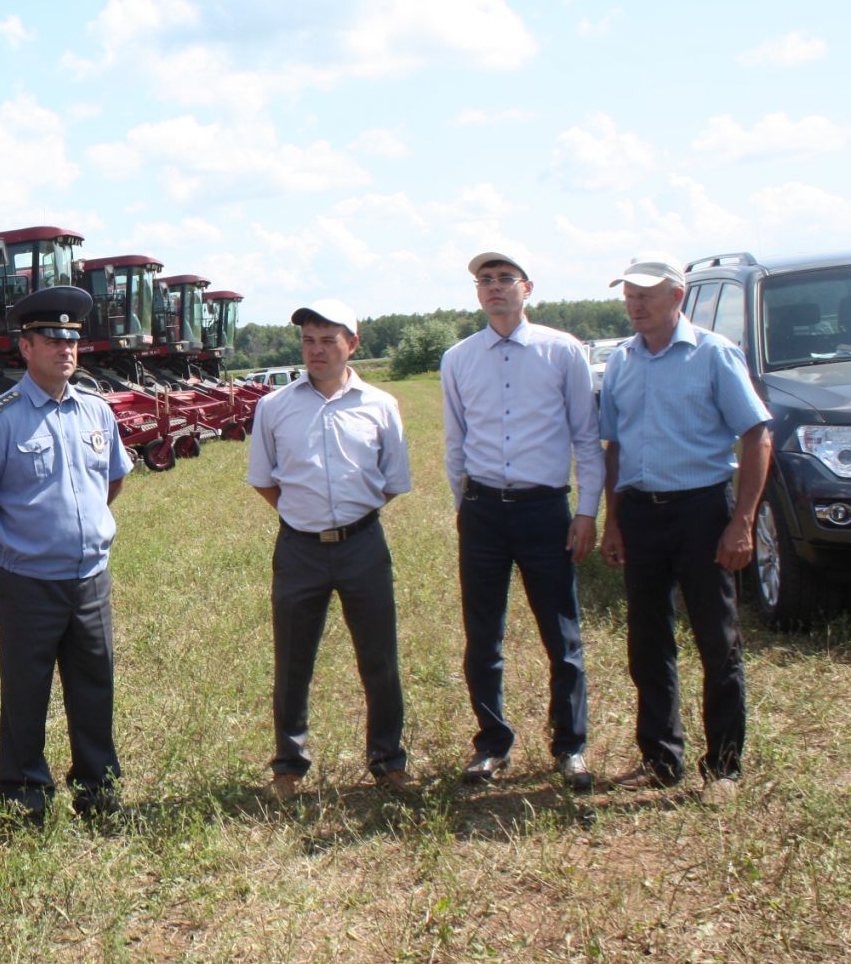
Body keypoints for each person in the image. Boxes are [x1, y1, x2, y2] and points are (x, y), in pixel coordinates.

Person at [0, 285, 133, 821]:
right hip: (27, 582)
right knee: (26, 692)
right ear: (25, 348)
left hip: (89, 578)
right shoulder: (0, 419)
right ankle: (24, 793)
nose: (65, 350)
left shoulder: (97, 412)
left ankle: (97, 788)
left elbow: (112, 482)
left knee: (94, 685)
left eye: (72, 340)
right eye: (51, 340)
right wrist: (20, 536)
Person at [598, 258, 771, 803]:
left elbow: (756, 436)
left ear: (678, 296)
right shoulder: (622, 361)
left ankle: (723, 768)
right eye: (629, 295)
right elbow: (615, 447)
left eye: (647, 295)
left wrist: (741, 523)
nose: (636, 304)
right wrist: (615, 520)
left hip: (702, 511)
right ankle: (660, 758)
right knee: (648, 642)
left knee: (716, 640)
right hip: (642, 513)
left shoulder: (713, 353)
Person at [441, 252, 604, 792]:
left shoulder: (562, 350)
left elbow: (586, 437)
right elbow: (455, 442)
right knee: (482, 636)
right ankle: (491, 745)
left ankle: (571, 747)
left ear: (527, 288)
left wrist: (586, 512)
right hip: (484, 513)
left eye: (504, 279)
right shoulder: (459, 358)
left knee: (562, 636)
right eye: (484, 281)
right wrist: (467, 505)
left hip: (545, 512)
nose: (493, 288)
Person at [248, 299, 412, 796]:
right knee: (293, 658)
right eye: (308, 341)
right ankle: (288, 765)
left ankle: (388, 760)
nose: (316, 351)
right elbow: (264, 480)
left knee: (379, 657)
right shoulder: (273, 407)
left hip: (363, 544)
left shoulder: (380, 405)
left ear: (352, 344)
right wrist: (306, 516)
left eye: (327, 340)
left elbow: (391, 480)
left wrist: (349, 516)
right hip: (299, 549)